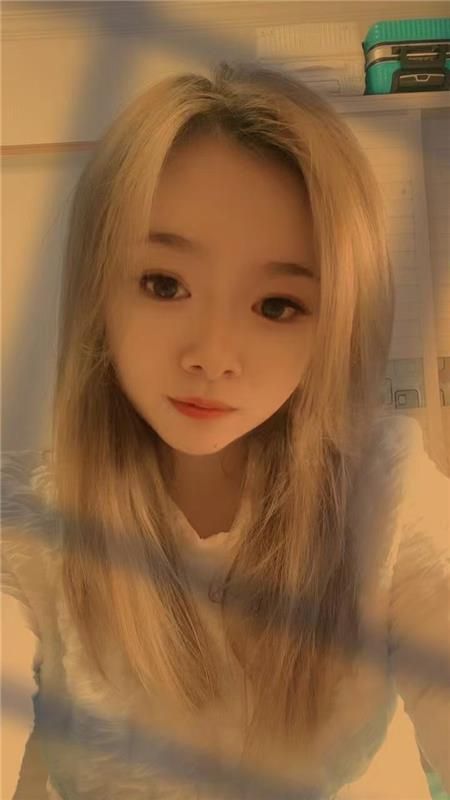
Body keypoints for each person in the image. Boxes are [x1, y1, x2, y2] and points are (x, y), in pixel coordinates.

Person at [1, 59, 449, 800]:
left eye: (277, 306)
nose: (212, 356)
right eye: (164, 284)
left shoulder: (384, 491)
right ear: (98, 289)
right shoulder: (31, 524)